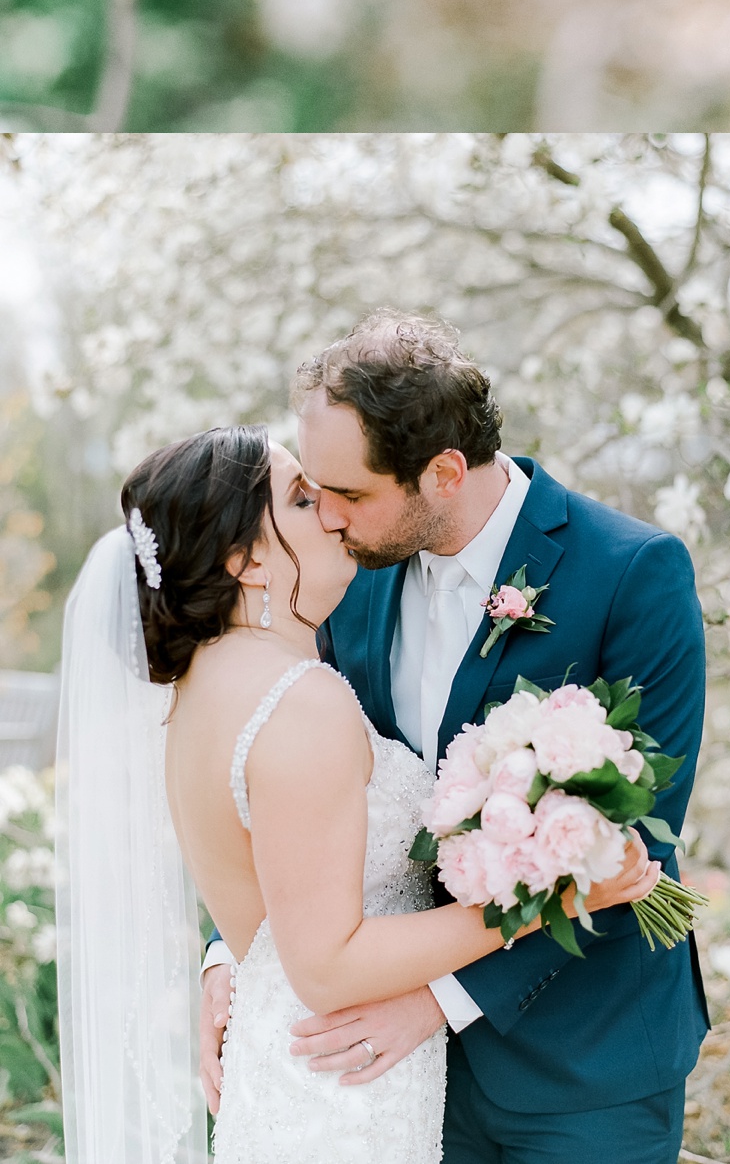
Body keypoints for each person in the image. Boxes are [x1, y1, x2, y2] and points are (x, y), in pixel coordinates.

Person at [55, 421, 654, 1164]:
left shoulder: (195, 694)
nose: (334, 512)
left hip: (295, 1071)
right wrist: (552, 899)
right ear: (246, 561)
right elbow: (327, 964)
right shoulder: (298, 700)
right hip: (344, 1082)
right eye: (302, 500)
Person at [201, 314, 710, 1164]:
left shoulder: (632, 572)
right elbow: (269, 775)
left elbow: (631, 833)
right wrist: (227, 955)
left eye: (350, 492)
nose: (323, 516)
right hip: (391, 1077)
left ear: (442, 472)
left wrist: (438, 998)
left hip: (586, 1061)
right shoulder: (341, 578)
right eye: (315, 488)